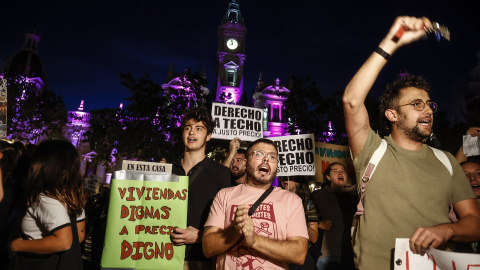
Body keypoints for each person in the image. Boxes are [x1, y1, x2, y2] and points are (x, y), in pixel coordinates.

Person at [342, 16, 480, 269]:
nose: (427, 110)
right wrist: (393, 41)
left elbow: (474, 222)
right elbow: (351, 101)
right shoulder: (373, 151)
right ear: (392, 115)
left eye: (429, 104)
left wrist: (448, 231)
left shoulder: (447, 161)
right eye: (417, 104)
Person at [202, 138, 309, 270]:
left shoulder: (292, 200)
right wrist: (234, 230)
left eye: (272, 157)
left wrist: (255, 240)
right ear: (246, 163)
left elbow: (299, 254)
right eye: (258, 154)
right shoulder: (224, 195)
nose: (266, 160)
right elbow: (208, 247)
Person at [170, 106, 232, 269]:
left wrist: (200, 236)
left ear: (208, 136)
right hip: (162, 257)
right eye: (188, 128)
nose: (192, 132)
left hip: (199, 260)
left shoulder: (222, 174)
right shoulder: (167, 172)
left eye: (199, 128)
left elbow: (230, 225)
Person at [9, 140, 86, 270]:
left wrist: (16, 246)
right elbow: (79, 235)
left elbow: (64, 242)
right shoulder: (70, 197)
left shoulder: (46, 199)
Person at [311, 163, 357, 270]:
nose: (340, 173)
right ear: (328, 177)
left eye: (343, 170)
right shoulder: (318, 195)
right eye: (335, 171)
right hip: (327, 256)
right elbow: (301, 217)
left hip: (349, 255)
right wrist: (318, 224)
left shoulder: (353, 197)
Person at [280, 176, 318, 270]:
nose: (284, 180)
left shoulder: (308, 204)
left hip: (300, 256)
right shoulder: (276, 201)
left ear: (297, 182)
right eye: (282, 178)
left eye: (288, 177)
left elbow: (314, 238)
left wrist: (298, 221)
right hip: (279, 254)